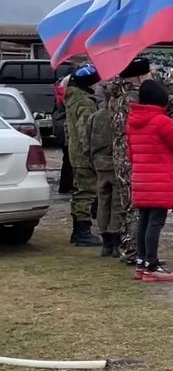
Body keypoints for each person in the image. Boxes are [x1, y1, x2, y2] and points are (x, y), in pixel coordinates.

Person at [129, 80, 173, 282]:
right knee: (155, 223)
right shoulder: (161, 121)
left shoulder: (133, 120)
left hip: (141, 179)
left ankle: (142, 263)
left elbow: (131, 153)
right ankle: (152, 265)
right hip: (159, 180)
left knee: (143, 221)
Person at [106, 57, 153, 263]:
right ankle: (135, 251)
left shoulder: (116, 94)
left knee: (126, 203)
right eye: (148, 73)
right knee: (135, 205)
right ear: (140, 76)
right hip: (133, 155)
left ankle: (128, 247)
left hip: (120, 155)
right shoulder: (133, 97)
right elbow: (162, 109)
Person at [64, 64, 101, 247]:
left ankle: (80, 230)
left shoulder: (74, 98)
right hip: (83, 154)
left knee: (82, 191)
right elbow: (86, 131)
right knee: (85, 193)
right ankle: (82, 232)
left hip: (76, 151)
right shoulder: (84, 102)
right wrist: (91, 155)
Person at [89, 87, 121, 257]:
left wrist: (92, 161)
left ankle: (105, 241)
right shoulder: (118, 116)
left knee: (103, 202)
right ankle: (115, 240)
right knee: (116, 203)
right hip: (115, 164)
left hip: (99, 164)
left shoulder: (96, 116)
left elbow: (86, 140)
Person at [53, 75, 74, 195]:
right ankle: (66, 186)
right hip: (66, 131)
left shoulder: (60, 93)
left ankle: (65, 186)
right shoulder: (67, 96)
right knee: (68, 160)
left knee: (67, 160)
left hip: (62, 130)